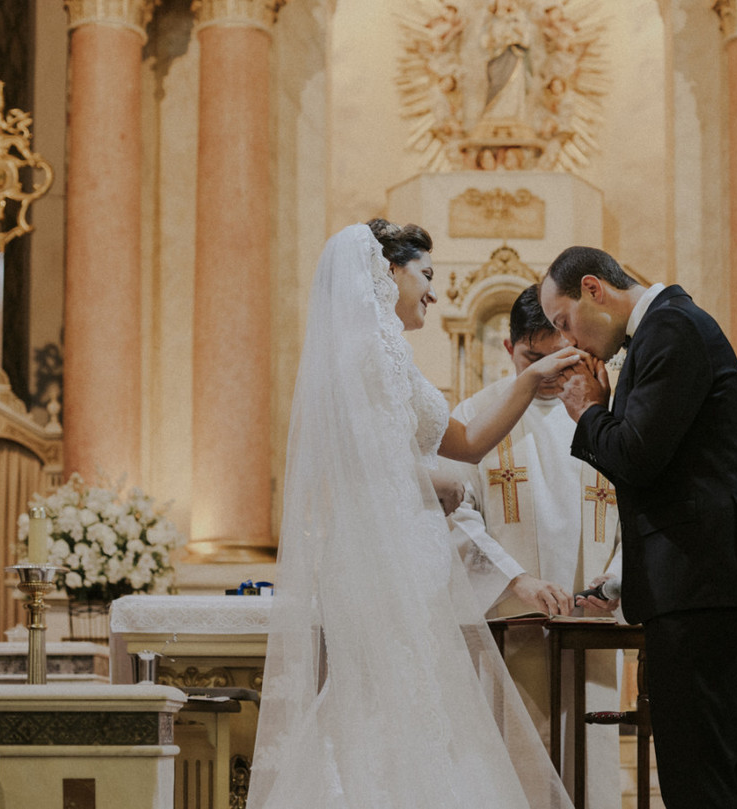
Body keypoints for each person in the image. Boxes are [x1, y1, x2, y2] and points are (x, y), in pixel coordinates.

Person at [246, 221, 583, 809]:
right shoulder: (363, 352)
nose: (433, 291)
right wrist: (431, 480)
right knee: (385, 700)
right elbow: (355, 459)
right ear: (388, 273)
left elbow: (468, 442)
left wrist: (531, 379)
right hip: (379, 558)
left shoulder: (392, 355)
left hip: (407, 553)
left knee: (411, 701)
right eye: (425, 275)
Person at [538, 246, 737, 809]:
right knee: (710, 778)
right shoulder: (665, 329)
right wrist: (625, 579)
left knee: (702, 784)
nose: (567, 340)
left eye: (564, 322)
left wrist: (589, 411)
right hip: (699, 584)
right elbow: (668, 474)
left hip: (702, 588)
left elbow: (638, 457)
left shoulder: (671, 328)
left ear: (593, 289)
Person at [441, 285, 622, 808]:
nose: (547, 373)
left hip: (591, 626)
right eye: (532, 359)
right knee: (515, 763)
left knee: (588, 766)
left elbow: (640, 508)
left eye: (560, 358)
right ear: (508, 348)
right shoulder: (476, 417)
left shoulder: (604, 414)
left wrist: (617, 578)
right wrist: (515, 580)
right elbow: (454, 515)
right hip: (510, 626)